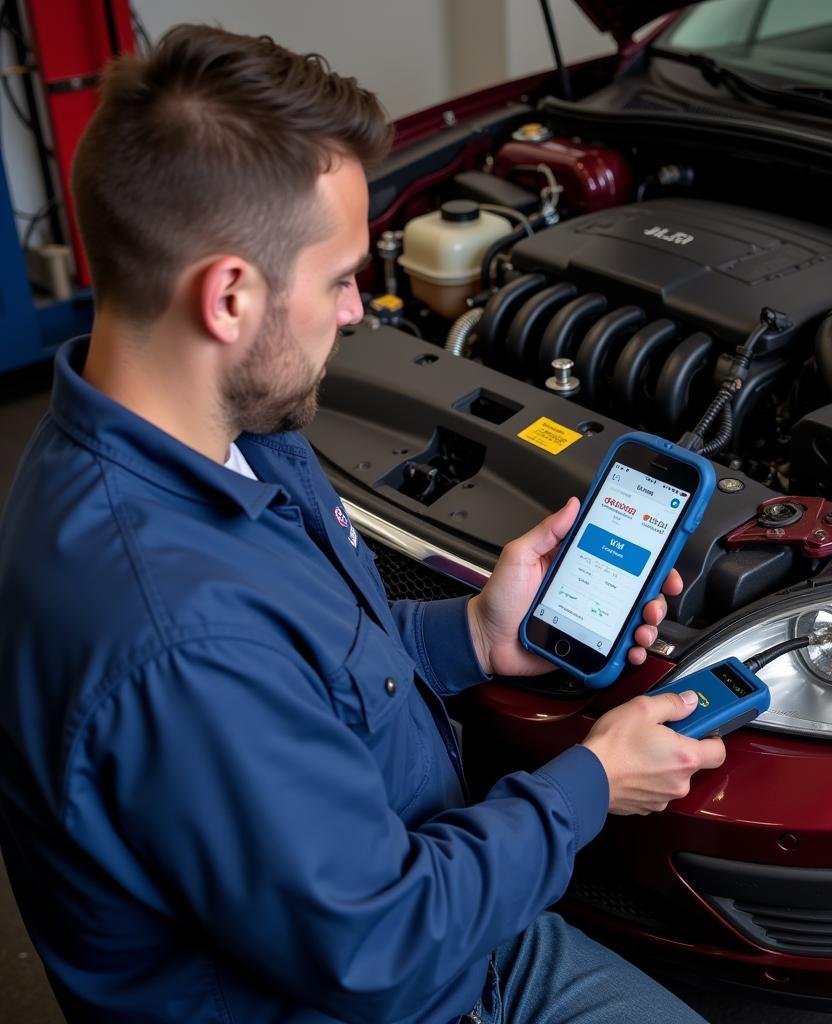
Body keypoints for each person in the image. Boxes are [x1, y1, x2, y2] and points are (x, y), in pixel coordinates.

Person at [0, 25, 726, 1024]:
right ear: (229, 295)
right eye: (341, 277)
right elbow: (379, 947)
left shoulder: (208, 429)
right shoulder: (176, 638)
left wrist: (473, 632)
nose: (356, 312)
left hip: (429, 888)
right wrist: (593, 781)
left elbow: (309, 675)